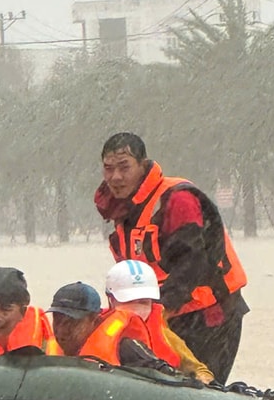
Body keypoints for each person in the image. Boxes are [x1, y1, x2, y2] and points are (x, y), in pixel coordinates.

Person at [94, 132, 248, 383]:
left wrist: (162, 308)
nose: (115, 177)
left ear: (143, 166)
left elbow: (193, 261)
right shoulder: (123, 212)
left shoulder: (177, 199)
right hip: (162, 316)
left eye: (124, 167)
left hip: (209, 313)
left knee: (201, 388)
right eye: (108, 169)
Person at [105, 260, 215, 385]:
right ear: (111, 299)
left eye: (143, 302)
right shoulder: (96, 329)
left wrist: (203, 380)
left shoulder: (164, 334)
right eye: (128, 301)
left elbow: (197, 369)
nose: (136, 309)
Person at [46, 281, 171, 371]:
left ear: (94, 320)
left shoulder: (127, 349)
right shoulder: (46, 352)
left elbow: (166, 377)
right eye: (57, 321)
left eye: (72, 322)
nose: (61, 331)